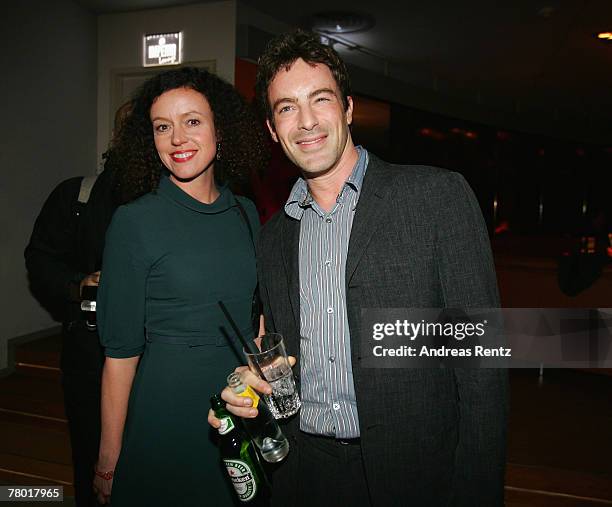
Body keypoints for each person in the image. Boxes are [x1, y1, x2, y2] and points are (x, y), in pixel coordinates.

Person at [211, 30, 509, 506]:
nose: (306, 121)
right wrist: (250, 387)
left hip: (415, 474)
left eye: (320, 99)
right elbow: (283, 360)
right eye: (287, 107)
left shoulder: (436, 198)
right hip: (304, 473)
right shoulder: (272, 238)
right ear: (272, 129)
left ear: (348, 108)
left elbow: (482, 371)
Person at [92, 67, 268, 506]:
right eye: (162, 127)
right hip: (167, 408)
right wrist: (109, 460)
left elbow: (256, 315)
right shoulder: (135, 222)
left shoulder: (246, 213)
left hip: (240, 404)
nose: (177, 139)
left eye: (192, 121)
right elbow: (119, 355)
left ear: (220, 130)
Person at [24, 102, 130, 507]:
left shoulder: (168, 199)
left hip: (154, 361)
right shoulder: (78, 195)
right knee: (91, 456)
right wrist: (77, 284)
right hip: (89, 356)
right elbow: (40, 257)